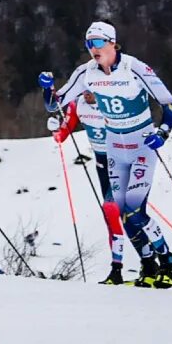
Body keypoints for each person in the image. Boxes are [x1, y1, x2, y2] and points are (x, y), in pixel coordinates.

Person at [43, 21, 172, 288]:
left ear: (112, 44)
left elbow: (171, 104)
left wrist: (163, 132)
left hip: (141, 146)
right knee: (119, 212)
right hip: (115, 149)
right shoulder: (86, 73)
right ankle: (148, 264)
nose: (92, 49)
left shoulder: (135, 68)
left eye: (97, 43)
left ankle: (169, 263)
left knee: (135, 211)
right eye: (88, 44)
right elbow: (55, 105)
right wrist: (47, 89)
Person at [50, 84, 127, 284]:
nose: (88, 94)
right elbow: (63, 132)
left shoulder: (110, 103)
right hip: (102, 163)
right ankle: (117, 269)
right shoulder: (77, 105)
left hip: (121, 161)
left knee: (117, 211)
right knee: (110, 216)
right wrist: (55, 131)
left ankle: (152, 262)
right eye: (84, 90)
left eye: (91, 90)